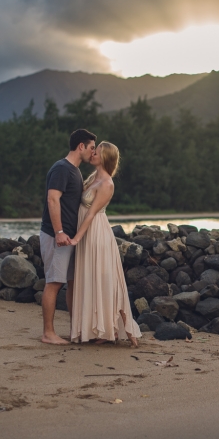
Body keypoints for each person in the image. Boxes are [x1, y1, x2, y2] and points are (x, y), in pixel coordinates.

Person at [69, 141, 141, 347]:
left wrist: (76, 238)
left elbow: (91, 214)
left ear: (105, 157)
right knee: (91, 279)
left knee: (105, 280)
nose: (92, 154)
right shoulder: (93, 178)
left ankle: (113, 328)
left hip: (97, 235)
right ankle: (97, 328)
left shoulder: (107, 183)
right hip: (88, 234)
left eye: (97, 152)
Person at [40, 129, 96, 345]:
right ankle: (48, 333)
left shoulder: (75, 171)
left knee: (72, 282)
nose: (93, 153)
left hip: (69, 238)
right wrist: (59, 232)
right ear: (81, 146)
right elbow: (52, 200)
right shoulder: (62, 168)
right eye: (91, 148)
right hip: (57, 237)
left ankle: (75, 330)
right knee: (54, 282)